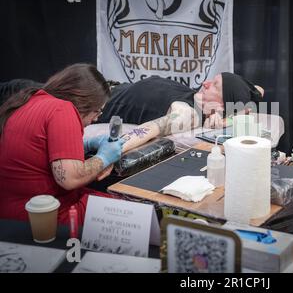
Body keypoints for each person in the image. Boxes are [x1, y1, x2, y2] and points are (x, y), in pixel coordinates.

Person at [0, 64, 125, 226]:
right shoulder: (62, 109)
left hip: (16, 212)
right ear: (84, 101)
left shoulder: (28, 100)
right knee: (137, 220)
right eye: (97, 111)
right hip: (43, 217)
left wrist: (83, 145)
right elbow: (69, 178)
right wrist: (104, 157)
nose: (96, 119)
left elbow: (37, 152)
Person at [96, 72, 264, 152]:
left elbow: (150, 130)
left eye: (215, 85)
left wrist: (106, 156)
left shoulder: (188, 115)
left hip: (95, 102)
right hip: (105, 84)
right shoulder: (201, 99)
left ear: (221, 104)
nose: (206, 83)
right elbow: (258, 90)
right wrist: (230, 116)